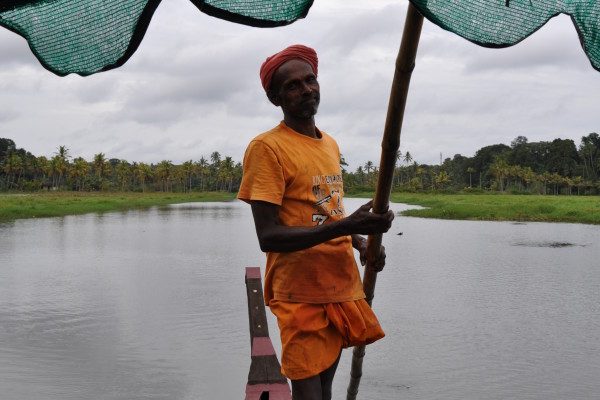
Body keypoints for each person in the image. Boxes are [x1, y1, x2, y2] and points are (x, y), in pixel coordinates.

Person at [238, 44, 394, 400]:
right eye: (293, 86)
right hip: (300, 293)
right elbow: (269, 236)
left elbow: (329, 213)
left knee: (325, 389)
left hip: (338, 284)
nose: (307, 89)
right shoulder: (267, 148)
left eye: (310, 80)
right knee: (309, 392)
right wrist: (344, 228)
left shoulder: (329, 145)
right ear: (274, 97)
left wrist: (360, 241)